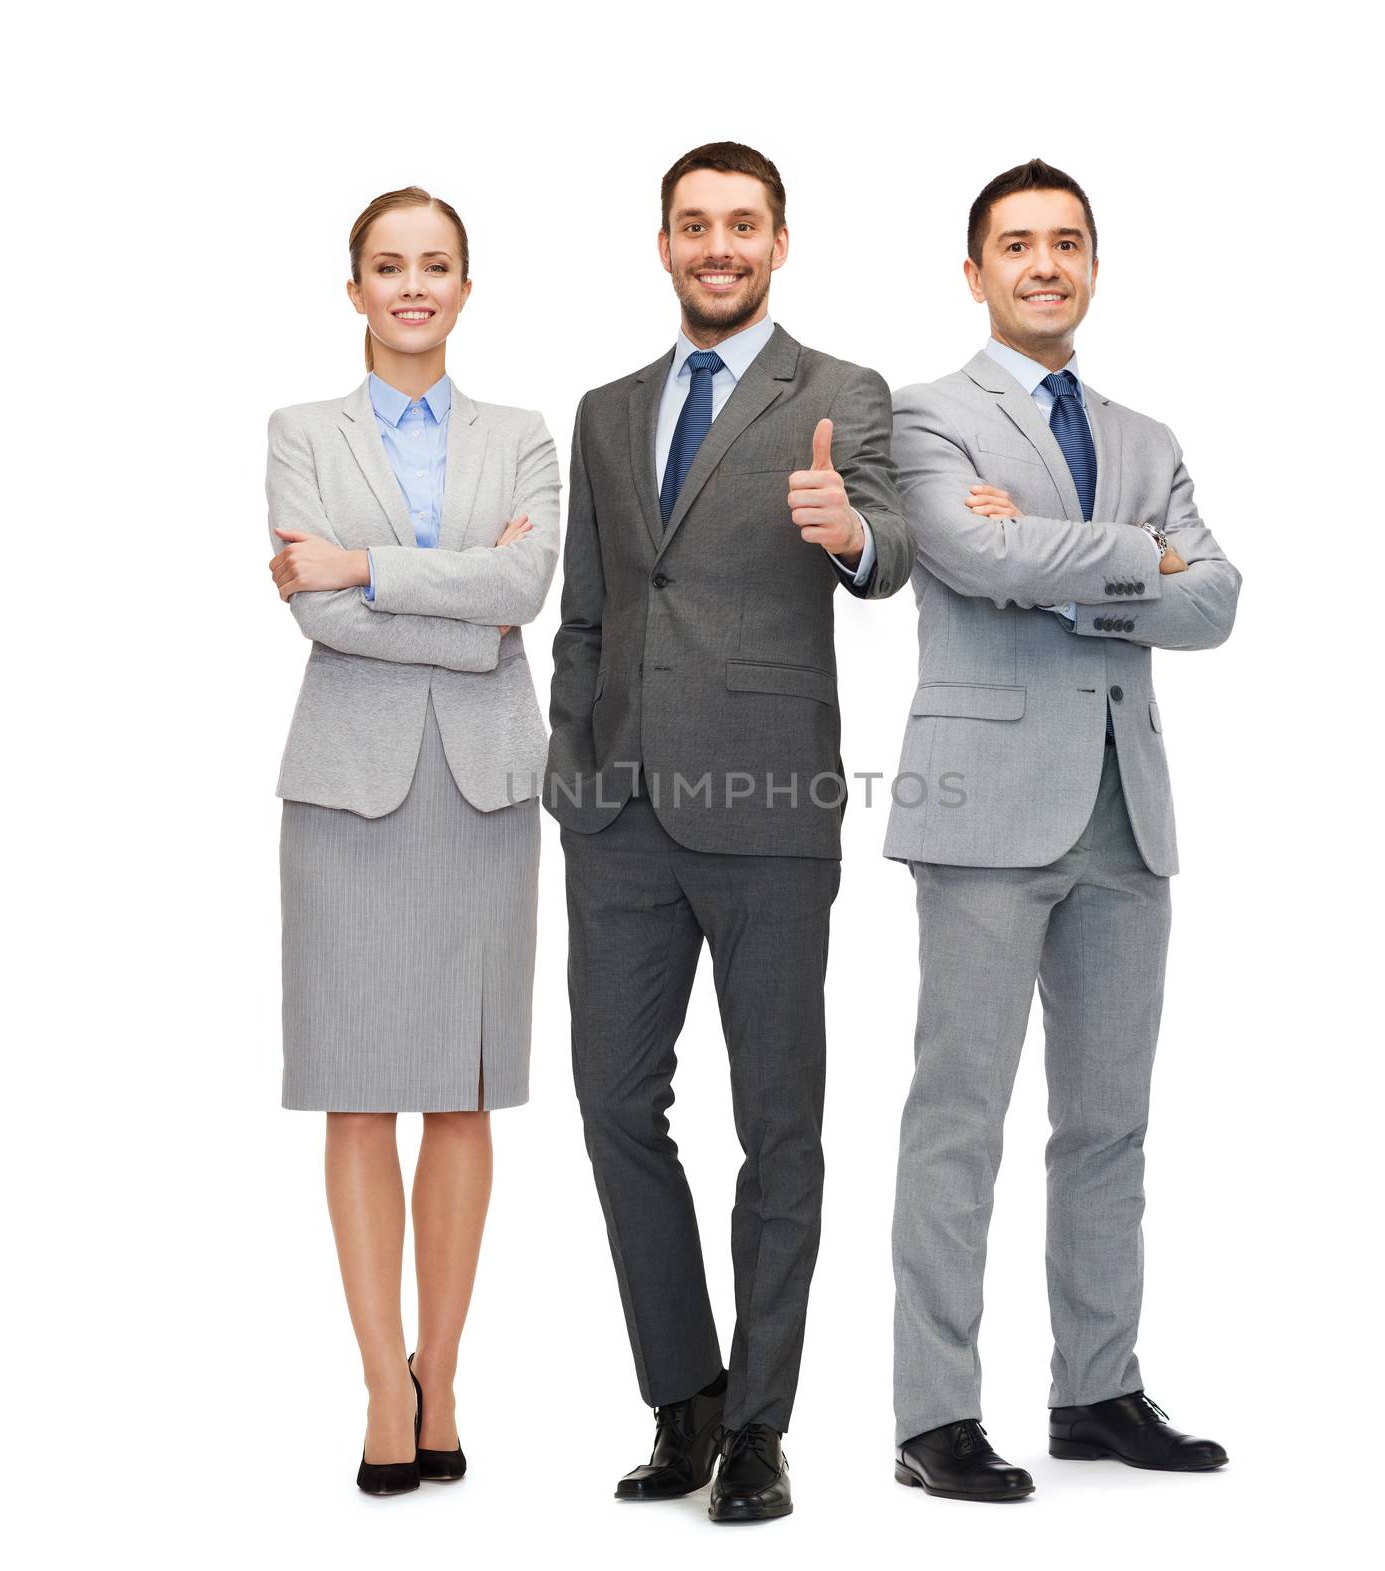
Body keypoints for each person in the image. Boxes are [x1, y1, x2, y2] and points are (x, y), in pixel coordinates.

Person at [546, 141, 912, 1523]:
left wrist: (847, 533)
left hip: (767, 810)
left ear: (778, 241)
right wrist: (573, 768)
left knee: (780, 1127)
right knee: (614, 1110)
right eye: (694, 226)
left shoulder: (840, 395)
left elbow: (888, 551)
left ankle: (759, 1425)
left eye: (741, 226)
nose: (718, 246)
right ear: (663, 245)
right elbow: (587, 607)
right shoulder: (606, 408)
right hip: (619, 816)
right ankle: (683, 1395)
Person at [884, 159, 1241, 1501]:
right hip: (984, 812)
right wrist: (1136, 557)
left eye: (1068, 243)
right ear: (975, 272)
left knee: (1109, 1124)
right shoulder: (922, 414)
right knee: (958, 1119)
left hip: (1123, 812)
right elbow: (972, 560)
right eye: (1018, 245)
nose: (1046, 264)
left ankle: (1097, 1389)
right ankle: (933, 1417)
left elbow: (1218, 603)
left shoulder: (1147, 435)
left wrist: (1072, 558)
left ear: (1094, 264)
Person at [265, 185, 559, 1496]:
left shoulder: (524, 437)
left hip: (485, 793)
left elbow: (527, 592)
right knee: (357, 1086)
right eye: (388, 267)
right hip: (349, 792)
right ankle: (381, 1381)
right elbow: (320, 621)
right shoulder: (299, 434)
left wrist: (370, 567)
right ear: (354, 291)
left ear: (465, 286)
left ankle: (445, 1369)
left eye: (435, 265)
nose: (412, 287)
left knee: (462, 1087)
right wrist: (469, 606)